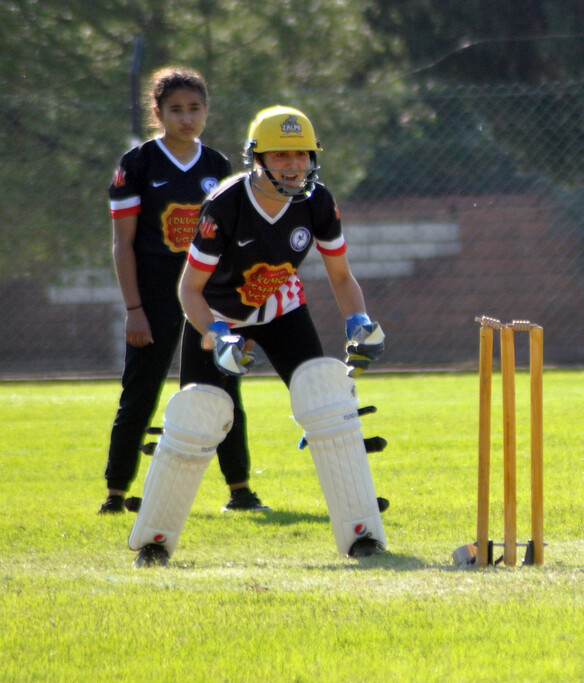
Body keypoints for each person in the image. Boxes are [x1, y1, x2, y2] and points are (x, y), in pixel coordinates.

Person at [128, 105, 386, 567]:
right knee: (196, 417)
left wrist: (359, 322)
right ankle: (154, 541)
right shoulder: (225, 204)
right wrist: (218, 335)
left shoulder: (318, 202)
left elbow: (342, 277)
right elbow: (188, 289)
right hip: (216, 313)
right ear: (257, 158)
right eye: (281, 154)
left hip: (282, 307)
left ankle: (362, 533)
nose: (294, 164)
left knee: (328, 402)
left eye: (302, 154)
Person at [100, 66, 266, 514]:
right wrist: (134, 308)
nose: (186, 118)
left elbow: (233, 246)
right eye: (175, 110)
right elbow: (123, 244)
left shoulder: (218, 166)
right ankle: (115, 494)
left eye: (195, 108)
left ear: (207, 110)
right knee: (141, 390)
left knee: (222, 388)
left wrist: (240, 312)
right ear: (158, 113)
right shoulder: (137, 164)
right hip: (154, 293)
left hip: (207, 294)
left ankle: (240, 491)